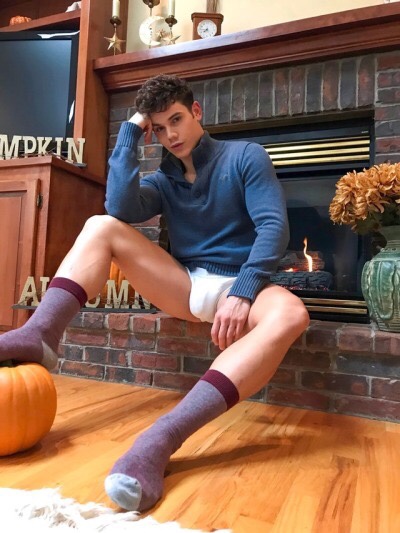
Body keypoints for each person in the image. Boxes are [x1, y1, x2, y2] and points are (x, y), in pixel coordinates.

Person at [0, 74, 309, 512]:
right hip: (184, 284)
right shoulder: (165, 180)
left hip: (242, 283)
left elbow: (274, 227)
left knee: (292, 313)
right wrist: (130, 132)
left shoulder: (245, 156)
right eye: (159, 128)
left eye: (177, 119)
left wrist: (243, 291)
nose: (171, 135)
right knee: (101, 226)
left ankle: (163, 436)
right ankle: (40, 334)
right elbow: (119, 208)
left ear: (196, 111)